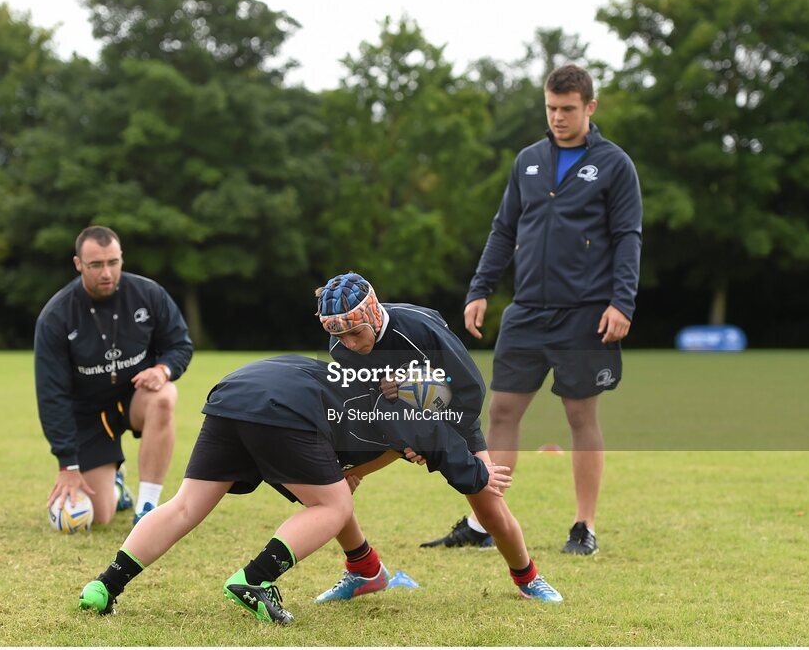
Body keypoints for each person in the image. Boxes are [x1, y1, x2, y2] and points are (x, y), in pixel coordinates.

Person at [75, 355, 517, 624]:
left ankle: (104, 587)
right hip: (279, 409)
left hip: (235, 393)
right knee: (333, 505)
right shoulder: (409, 408)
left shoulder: (364, 380)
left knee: (185, 505)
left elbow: (367, 449)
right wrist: (482, 475)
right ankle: (255, 579)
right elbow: (437, 446)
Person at [423, 64, 642, 555]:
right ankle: (486, 524)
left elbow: (629, 237)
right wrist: (479, 289)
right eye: (551, 108)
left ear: (590, 107)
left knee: (580, 417)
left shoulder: (614, 164)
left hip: (586, 312)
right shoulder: (528, 161)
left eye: (568, 109)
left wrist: (621, 301)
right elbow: (504, 229)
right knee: (500, 410)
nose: (558, 117)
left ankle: (584, 527)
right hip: (526, 311)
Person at [311, 272, 563, 604]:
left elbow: (470, 393)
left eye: (355, 333)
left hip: (453, 419)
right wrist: (405, 437)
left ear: (372, 313)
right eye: (341, 337)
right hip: (390, 425)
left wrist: (429, 437)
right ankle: (364, 571)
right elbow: (365, 395)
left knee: (490, 509)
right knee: (335, 482)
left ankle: (528, 578)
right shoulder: (341, 344)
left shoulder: (421, 329)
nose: (350, 345)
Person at [35, 225, 193, 527]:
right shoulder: (56, 315)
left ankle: (147, 508)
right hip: (89, 415)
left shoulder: (148, 294)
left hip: (134, 399)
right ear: (78, 264)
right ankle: (117, 487)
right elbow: (51, 393)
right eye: (96, 265)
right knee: (100, 516)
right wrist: (67, 463)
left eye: (113, 262)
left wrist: (163, 370)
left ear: (121, 258)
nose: (106, 272)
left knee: (165, 395)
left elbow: (179, 344)